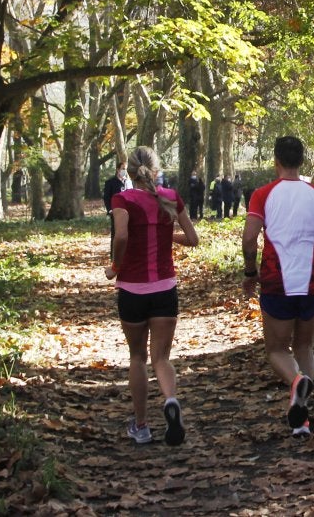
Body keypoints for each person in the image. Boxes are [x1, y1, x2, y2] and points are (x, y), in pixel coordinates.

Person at [242, 136, 314, 437]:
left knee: (276, 349)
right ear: (302, 160)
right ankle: (302, 418)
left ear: (275, 160)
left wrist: (250, 271)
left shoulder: (263, 195)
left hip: (277, 281)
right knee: (305, 345)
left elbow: (250, 238)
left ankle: (296, 382)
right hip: (313, 280)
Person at [105, 146, 200, 446]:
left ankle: (142, 425)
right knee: (161, 357)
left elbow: (121, 236)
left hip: (132, 289)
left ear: (128, 172)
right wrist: (165, 234)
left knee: (137, 357)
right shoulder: (171, 198)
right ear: (156, 169)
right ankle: (170, 400)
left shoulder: (122, 199)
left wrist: (115, 266)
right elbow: (194, 239)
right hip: (165, 290)